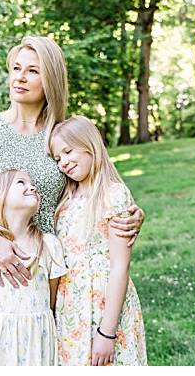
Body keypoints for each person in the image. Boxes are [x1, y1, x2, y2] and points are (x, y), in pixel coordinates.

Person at [0, 36, 145, 366]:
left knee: (41, 354)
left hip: (48, 269)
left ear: (50, 78)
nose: (19, 77)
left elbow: (95, 186)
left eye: (32, 70)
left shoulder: (59, 139)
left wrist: (131, 214)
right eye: (16, 68)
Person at [50, 116, 147, 365]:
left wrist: (107, 332)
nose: (64, 163)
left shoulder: (112, 195)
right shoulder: (66, 199)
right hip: (71, 305)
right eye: (58, 158)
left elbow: (119, 267)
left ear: (89, 144)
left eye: (68, 151)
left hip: (104, 306)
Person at [0, 170, 65, 365]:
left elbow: (51, 302)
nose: (32, 187)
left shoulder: (48, 245)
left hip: (39, 344)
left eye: (32, 183)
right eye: (21, 183)